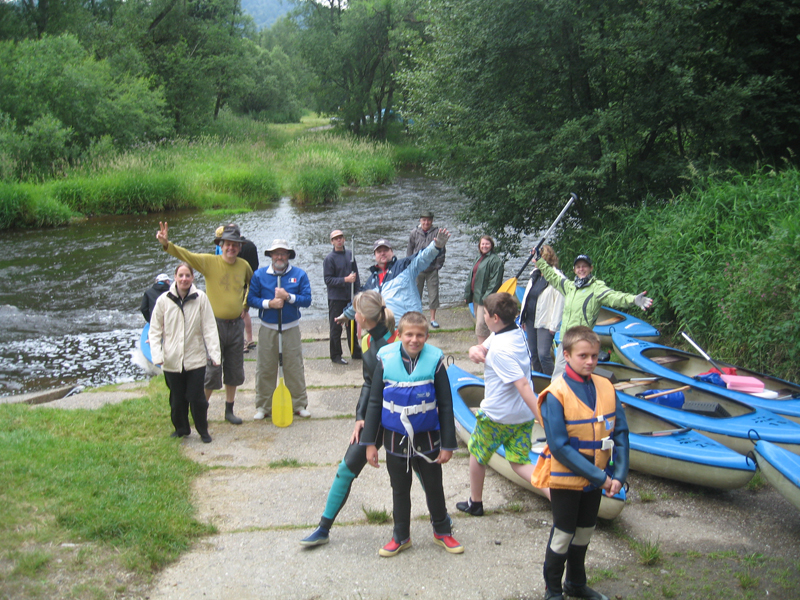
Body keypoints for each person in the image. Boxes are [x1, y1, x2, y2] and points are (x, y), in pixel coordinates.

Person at [532, 326, 630, 600]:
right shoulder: (555, 394)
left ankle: (575, 583)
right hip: (568, 479)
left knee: (585, 531)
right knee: (563, 534)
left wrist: (619, 475)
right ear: (566, 355)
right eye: (583, 356)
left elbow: (621, 433)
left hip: (598, 477)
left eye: (594, 356)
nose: (590, 362)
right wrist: (601, 478)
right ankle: (553, 590)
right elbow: (560, 447)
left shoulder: (606, 387)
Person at [300, 290, 397, 547]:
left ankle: (441, 520)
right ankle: (323, 528)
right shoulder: (366, 341)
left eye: (355, 311)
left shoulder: (396, 342)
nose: (352, 315)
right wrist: (360, 417)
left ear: (362, 317)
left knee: (419, 467)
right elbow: (368, 382)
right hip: (373, 417)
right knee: (346, 469)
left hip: (400, 417)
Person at [362, 312, 463, 557]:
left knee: (434, 486)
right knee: (399, 489)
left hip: (428, 439)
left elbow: (446, 404)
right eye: (409, 334)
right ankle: (401, 536)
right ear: (399, 334)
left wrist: (448, 444)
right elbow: (374, 403)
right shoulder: (385, 360)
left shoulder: (435, 362)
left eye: (419, 335)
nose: (414, 340)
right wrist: (369, 443)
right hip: (395, 440)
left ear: (426, 336)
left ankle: (442, 531)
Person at [156, 221, 253, 425]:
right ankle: (201, 411)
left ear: (239, 247)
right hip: (213, 326)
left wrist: (245, 305)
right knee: (212, 370)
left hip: (236, 326)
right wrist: (167, 244)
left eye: (235, 244)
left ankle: (229, 410)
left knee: (234, 370)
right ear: (221, 245)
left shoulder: (244, 266)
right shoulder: (209, 262)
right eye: (227, 244)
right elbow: (186, 256)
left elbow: (251, 285)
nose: (231, 248)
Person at [456, 292, 542, 517]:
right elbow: (484, 346)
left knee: (477, 453)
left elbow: (523, 385)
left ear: (494, 318)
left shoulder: (501, 351)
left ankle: (475, 502)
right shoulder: (514, 331)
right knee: (519, 462)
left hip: (497, 417)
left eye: (485, 313)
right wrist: (475, 350)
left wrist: (544, 420)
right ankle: (556, 494)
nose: (483, 316)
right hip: (522, 418)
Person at [534, 252, 653, 379]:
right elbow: (552, 276)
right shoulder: (569, 287)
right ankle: (557, 392)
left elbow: (614, 296)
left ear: (591, 268)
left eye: (584, 266)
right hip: (566, 339)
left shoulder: (596, 288)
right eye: (578, 267)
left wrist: (633, 299)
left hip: (581, 340)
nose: (581, 269)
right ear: (574, 270)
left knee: (578, 375)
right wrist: (539, 260)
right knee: (558, 376)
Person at [149, 262, 221, 443]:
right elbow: (155, 330)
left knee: (197, 399)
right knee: (177, 399)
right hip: (171, 360)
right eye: (180, 275)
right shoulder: (163, 300)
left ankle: (203, 430)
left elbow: (210, 327)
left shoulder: (201, 298)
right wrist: (157, 355)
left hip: (195, 359)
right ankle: (181, 429)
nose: (184, 279)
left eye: (187, 275)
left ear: (192, 278)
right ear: (175, 277)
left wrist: (215, 354)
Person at [248, 239, 312, 419]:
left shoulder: (299, 275)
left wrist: (288, 297)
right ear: (271, 255)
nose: (280, 257)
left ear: (288, 255)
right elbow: (251, 299)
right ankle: (263, 406)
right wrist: (269, 303)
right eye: (276, 253)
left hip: (291, 328)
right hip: (268, 328)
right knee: (265, 368)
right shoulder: (259, 275)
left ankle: (298, 404)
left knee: (294, 367)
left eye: (283, 253)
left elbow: (307, 300)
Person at [335, 228, 450, 326]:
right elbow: (360, 300)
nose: (383, 253)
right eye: (379, 251)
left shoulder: (405, 266)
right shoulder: (372, 281)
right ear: (375, 256)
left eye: (386, 250)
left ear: (392, 252)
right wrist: (346, 315)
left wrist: (436, 246)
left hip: (410, 324)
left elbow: (423, 257)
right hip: (387, 327)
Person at [519, 245, 565, 375]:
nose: (533, 260)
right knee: (533, 354)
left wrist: (554, 326)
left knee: (543, 354)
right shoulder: (535, 275)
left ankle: (553, 380)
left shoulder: (557, 277)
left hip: (545, 322)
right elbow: (528, 297)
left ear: (545, 259)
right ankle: (540, 380)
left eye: (537, 258)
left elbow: (560, 303)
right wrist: (523, 318)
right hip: (530, 319)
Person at [215, 225, 259, 351]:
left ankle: (242, 341)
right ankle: (249, 338)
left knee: (239, 313)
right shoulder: (251, 245)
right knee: (245, 312)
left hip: (235, 284)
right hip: (248, 282)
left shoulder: (230, 249)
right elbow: (255, 265)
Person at [324, 229, 362, 365]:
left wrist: (357, 293)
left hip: (350, 296)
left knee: (352, 325)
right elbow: (328, 280)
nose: (339, 240)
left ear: (344, 239)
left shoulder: (350, 255)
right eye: (336, 238)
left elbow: (356, 276)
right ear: (332, 242)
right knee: (336, 327)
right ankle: (335, 355)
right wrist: (345, 280)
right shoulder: (329, 259)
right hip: (336, 298)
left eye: (340, 237)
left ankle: (355, 351)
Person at [407, 210, 446, 328]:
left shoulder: (437, 233)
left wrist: (437, 266)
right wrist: (409, 265)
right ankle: (416, 318)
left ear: (432, 221)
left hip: (432, 269)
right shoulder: (414, 233)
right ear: (420, 220)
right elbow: (410, 249)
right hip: (417, 269)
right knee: (415, 294)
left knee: (433, 294)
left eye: (428, 220)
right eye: (424, 220)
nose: (426, 222)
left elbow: (442, 251)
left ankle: (433, 319)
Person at [464, 235, 505, 344]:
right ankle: (483, 347)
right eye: (482, 244)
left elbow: (495, 283)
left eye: (487, 244)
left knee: (481, 325)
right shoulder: (479, 258)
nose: (484, 246)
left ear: (491, 245)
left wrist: (486, 298)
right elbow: (471, 277)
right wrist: (468, 295)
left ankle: (483, 347)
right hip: (476, 297)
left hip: (485, 299)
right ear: (479, 245)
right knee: (480, 323)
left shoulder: (495, 261)